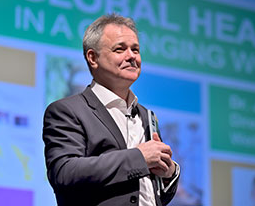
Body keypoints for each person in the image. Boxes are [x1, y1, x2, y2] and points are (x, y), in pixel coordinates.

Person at [43, 13, 180, 206]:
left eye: (136, 49)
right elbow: (65, 173)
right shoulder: (67, 111)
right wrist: (139, 158)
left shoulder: (147, 116)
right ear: (92, 58)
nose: (132, 56)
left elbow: (149, 193)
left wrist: (169, 173)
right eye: (120, 49)